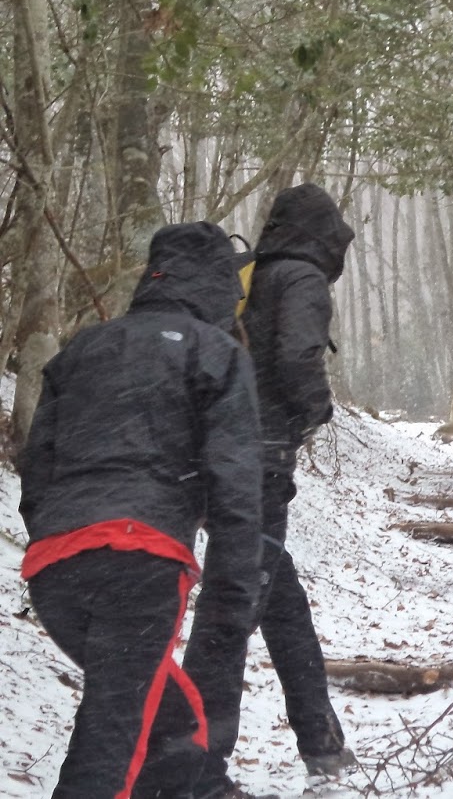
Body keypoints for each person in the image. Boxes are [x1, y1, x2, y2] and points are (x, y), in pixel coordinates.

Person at [18, 222, 265, 799]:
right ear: (217, 285)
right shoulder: (215, 352)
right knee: (113, 735)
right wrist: (233, 595)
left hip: (56, 565)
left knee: (176, 723)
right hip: (141, 560)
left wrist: (57, 532)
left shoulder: (84, 348)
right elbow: (236, 482)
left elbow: (38, 467)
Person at [189, 183, 356, 799]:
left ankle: (322, 743)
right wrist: (312, 414)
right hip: (256, 461)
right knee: (231, 609)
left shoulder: (247, 275)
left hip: (214, 456)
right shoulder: (301, 278)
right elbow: (297, 357)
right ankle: (195, 768)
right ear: (324, 235)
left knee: (278, 599)